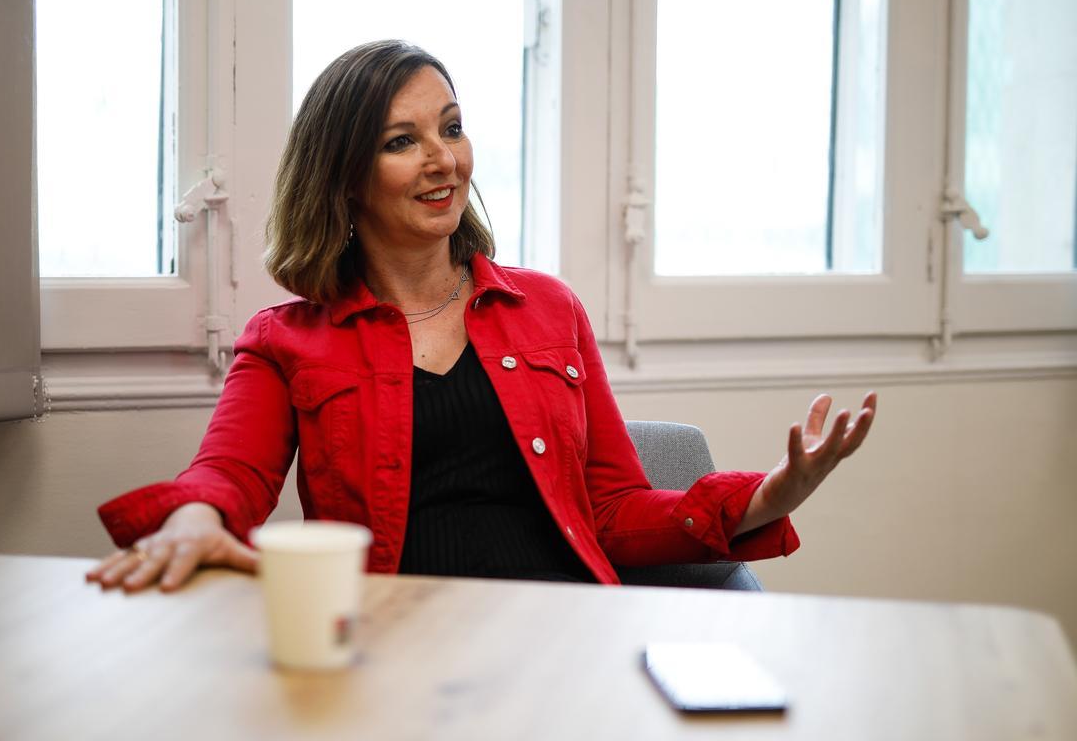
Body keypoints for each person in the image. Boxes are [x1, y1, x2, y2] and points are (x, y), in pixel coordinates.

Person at [87, 40, 876, 593]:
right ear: (345, 179)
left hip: (564, 633)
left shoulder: (549, 310)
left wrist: (768, 494)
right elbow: (230, 474)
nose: (445, 159)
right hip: (387, 644)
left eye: (452, 128)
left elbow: (614, 513)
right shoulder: (286, 340)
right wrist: (193, 520)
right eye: (404, 140)